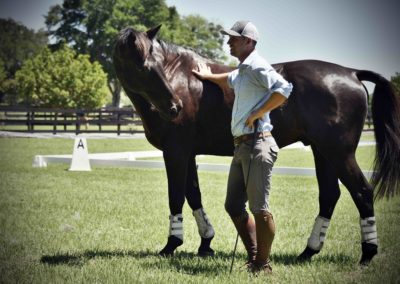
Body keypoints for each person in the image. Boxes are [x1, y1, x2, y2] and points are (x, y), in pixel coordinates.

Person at [192, 20, 292, 275]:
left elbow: (284, 89)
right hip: (242, 146)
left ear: (249, 41)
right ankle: (255, 257)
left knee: (259, 208)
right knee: (233, 205)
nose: (229, 42)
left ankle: (263, 265)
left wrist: (258, 112)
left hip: (258, 143)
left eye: (234, 39)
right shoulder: (243, 70)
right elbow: (228, 79)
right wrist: (207, 76)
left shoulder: (257, 66)